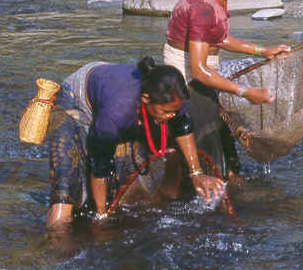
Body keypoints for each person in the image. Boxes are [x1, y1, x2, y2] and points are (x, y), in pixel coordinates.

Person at [164, 0, 292, 180]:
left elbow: (218, 37)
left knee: (228, 152)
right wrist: (244, 92)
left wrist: (262, 51)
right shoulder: (203, 6)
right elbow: (199, 71)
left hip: (202, 78)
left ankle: (231, 180)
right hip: (186, 83)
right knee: (213, 152)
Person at [46, 56, 225, 230]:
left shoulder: (174, 97)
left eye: (174, 111)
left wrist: (196, 173)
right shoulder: (118, 111)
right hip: (76, 96)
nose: (171, 116)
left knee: (134, 181)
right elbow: (99, 163)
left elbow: (182, 126)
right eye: (166, 112)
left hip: (109, 85)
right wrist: (101, 216)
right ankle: (56, 239)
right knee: (65, 189)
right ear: (146, 99)